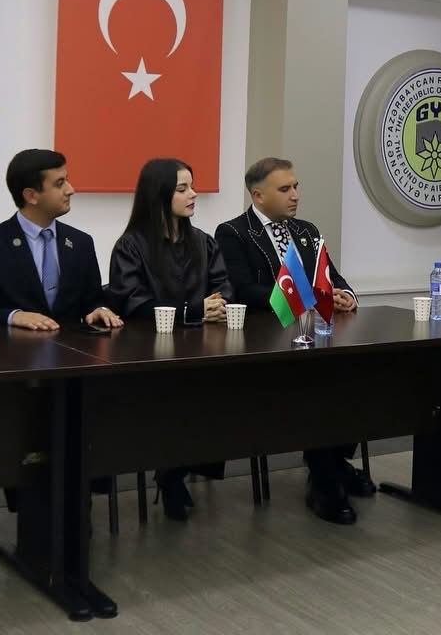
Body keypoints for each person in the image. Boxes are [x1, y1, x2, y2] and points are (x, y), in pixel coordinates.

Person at [215, 157, 370, 527]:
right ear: (258, 195)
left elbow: (332, 276)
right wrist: (303, 299)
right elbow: (243, 290)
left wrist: (345, 295)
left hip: (316, 339)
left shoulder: (307, 230)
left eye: (296, 187)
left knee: (357, 374)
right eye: (285, 189)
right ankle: (325, 478)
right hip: (266, 343)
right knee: (317, 385)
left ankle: (333, 461)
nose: (295, 195)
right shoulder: (234, 233)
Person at [106, 158, 231, 521]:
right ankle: (171, 474)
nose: (194, 194)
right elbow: (133, 303)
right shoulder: (131, 246)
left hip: (202, 350)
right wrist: (193, 310)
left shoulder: (203, 241)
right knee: (178, 400)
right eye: (182, 189)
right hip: (150, 356)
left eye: (193, 186)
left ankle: (174, 472)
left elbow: (224, 286)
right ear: (158, 195)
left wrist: (216, 305)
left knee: (222, 393)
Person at [0, 148, 122, 332]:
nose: (70, 190)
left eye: (67, 180)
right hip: (14, 348)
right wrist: (13, 316)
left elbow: (93, 300)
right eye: (59, 184)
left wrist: (100, 310)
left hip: (72, 348)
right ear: (31, 196)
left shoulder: (81, 242)